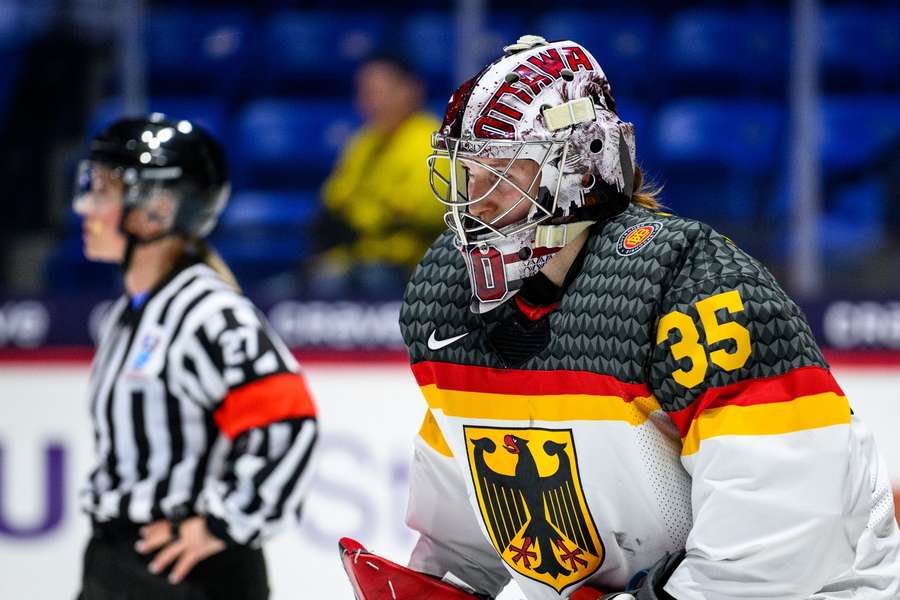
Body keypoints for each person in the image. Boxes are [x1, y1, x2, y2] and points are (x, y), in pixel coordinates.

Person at [341, 36, 900, 599]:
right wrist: (447, 582)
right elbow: (479, 536)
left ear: (581, 171)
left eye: (503, 175)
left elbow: (785, 542)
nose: (476, 203)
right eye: (468, 174)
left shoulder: (698, 289)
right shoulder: (448, 300)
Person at [73, 115, 318, 600]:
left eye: (103, 191)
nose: (85, 208)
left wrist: (222, 525)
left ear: (157, 209)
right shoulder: (133, 310)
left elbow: (289, 422)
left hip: (184, 576)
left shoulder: (207, 312)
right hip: (120, 564)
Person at [311, 54, 445, 298]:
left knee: (353, 282)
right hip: (357, 259)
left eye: (377, 92)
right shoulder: (364, 142)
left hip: (410, 266)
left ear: (410, 90)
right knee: (294, 286)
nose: (369, 102)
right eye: (364, 94)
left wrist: (361, 217)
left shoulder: (433, 140)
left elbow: (422, 209)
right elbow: (334, 198)